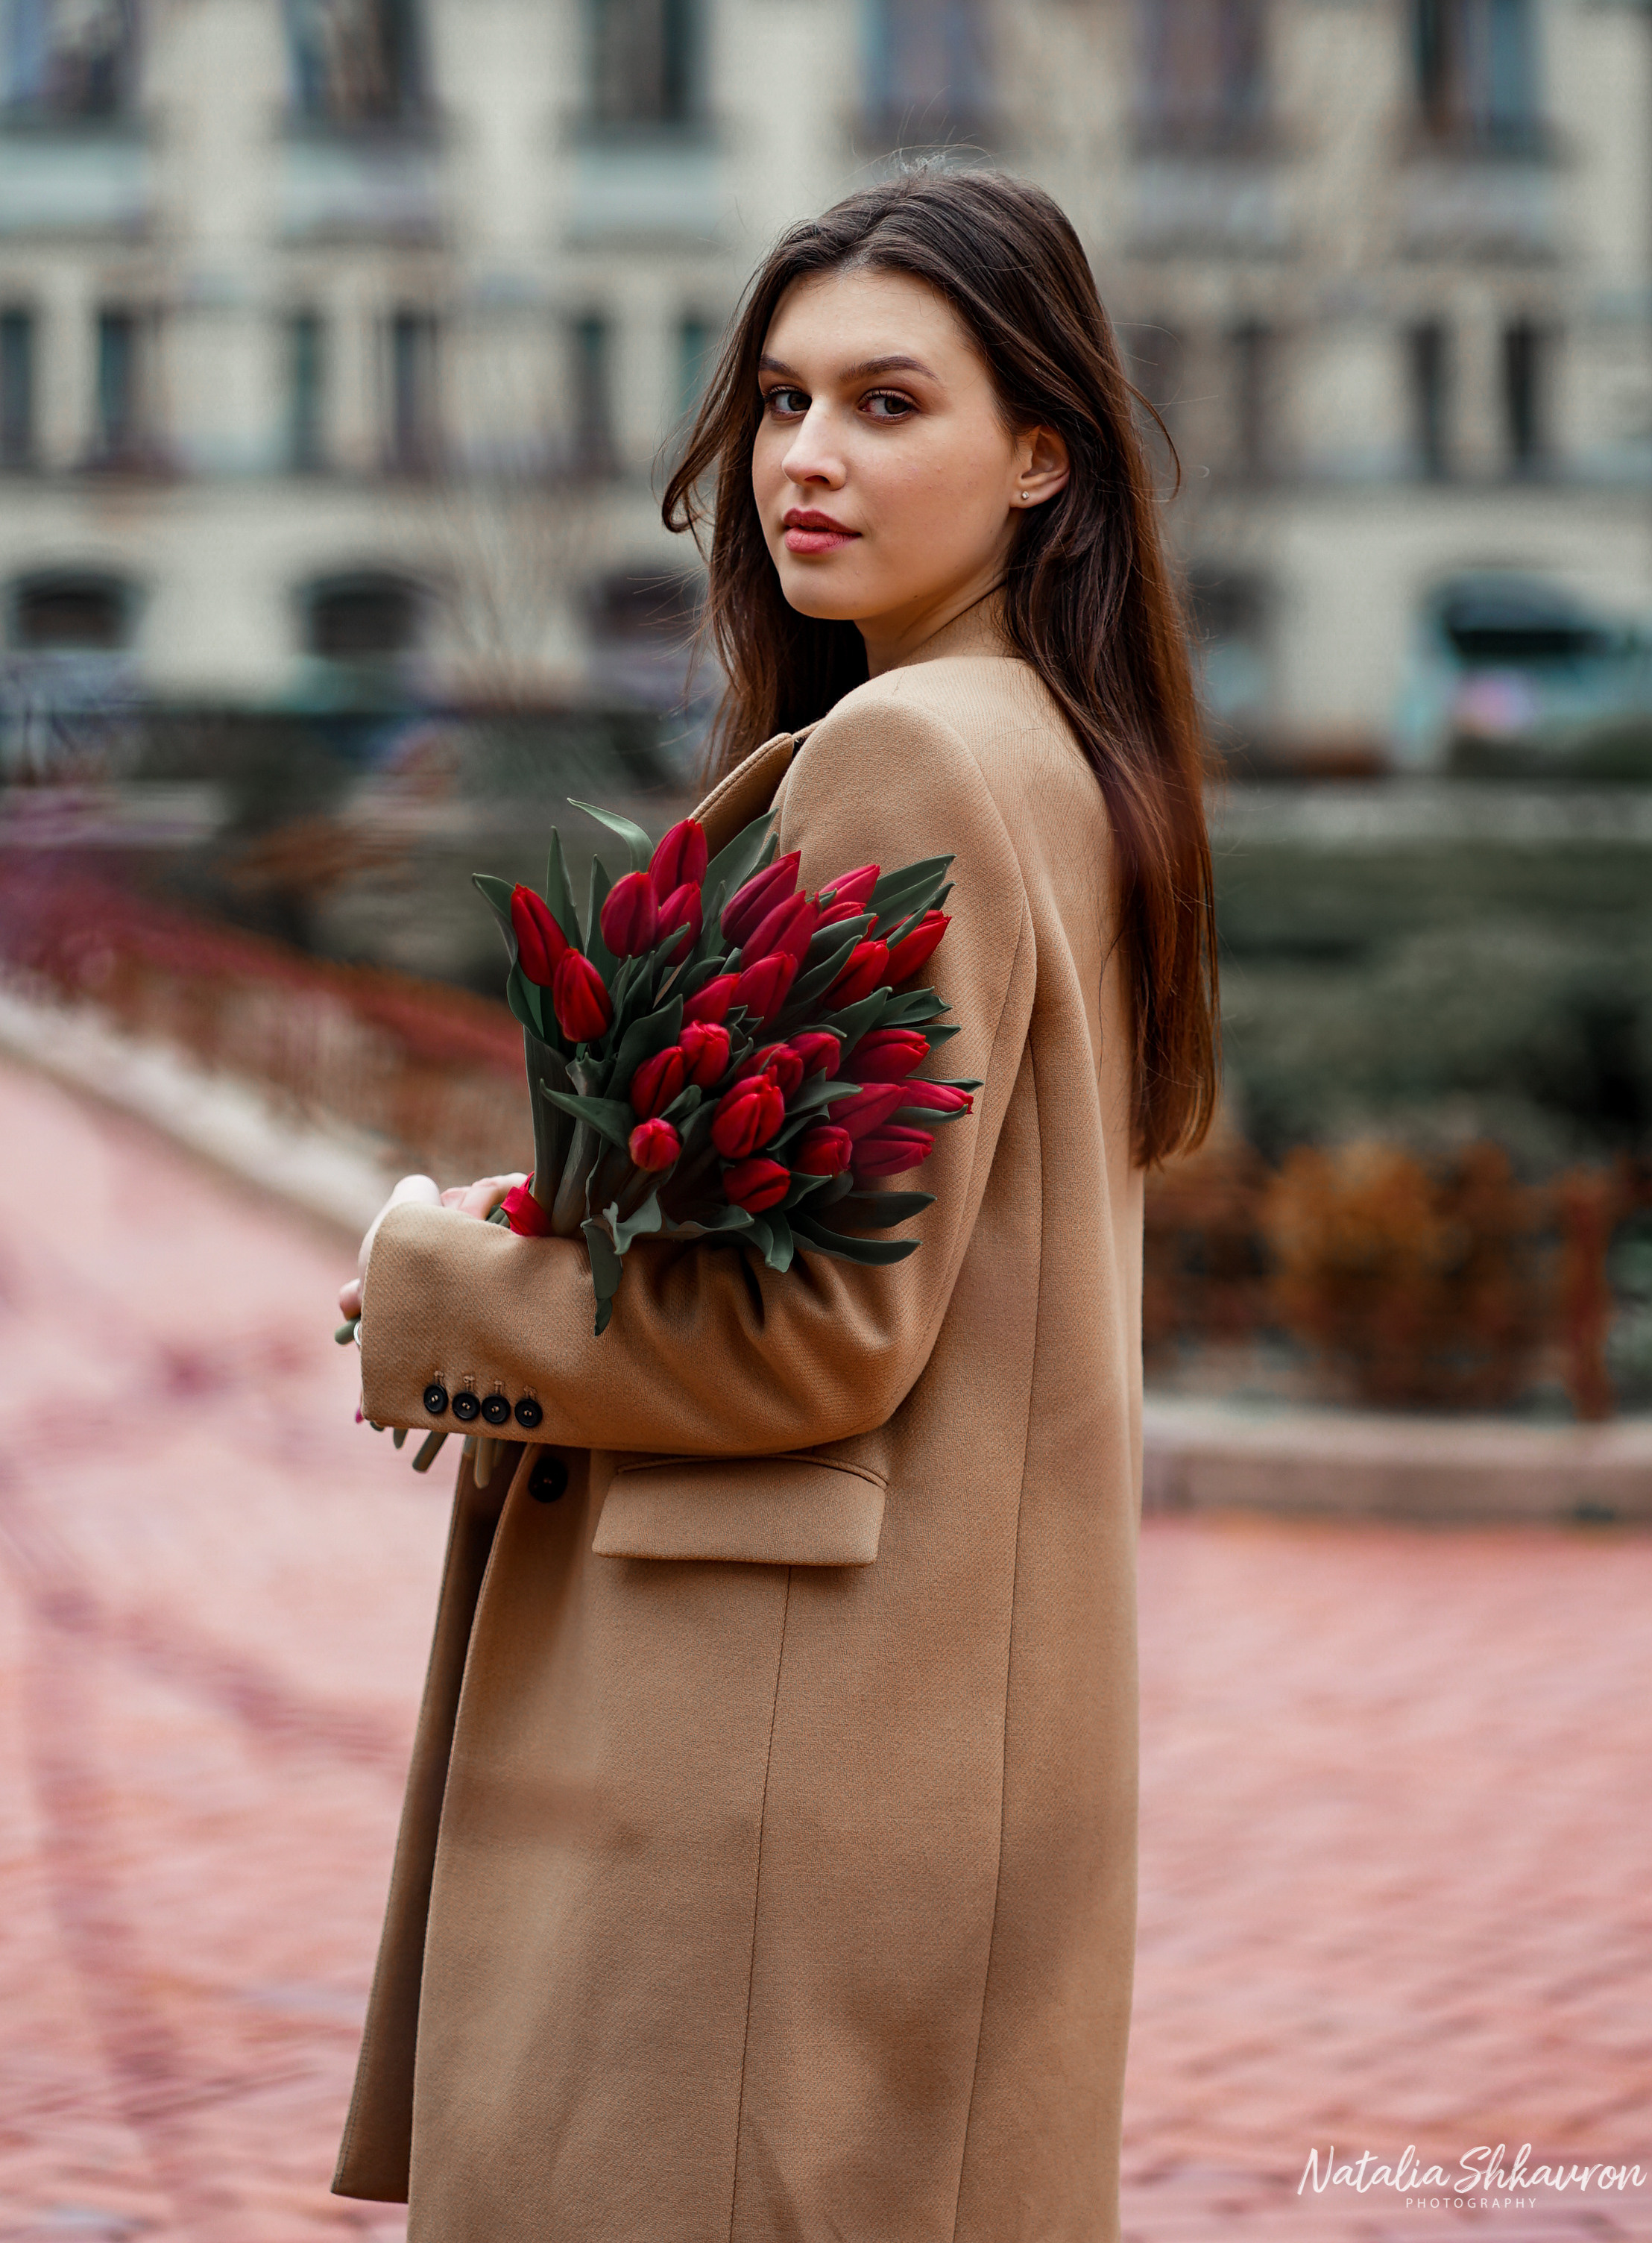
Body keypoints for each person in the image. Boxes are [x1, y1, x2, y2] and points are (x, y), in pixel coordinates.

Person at [332, 169, 1218, 2243]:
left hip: (767, 1751)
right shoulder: (1060, 755)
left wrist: (428, 1285)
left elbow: (816, 1331)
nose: (805, 460)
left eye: (888, 404)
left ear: (1039, 454)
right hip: (911, 1713)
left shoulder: (908, 757)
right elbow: (881, 1247)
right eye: (780, 400)